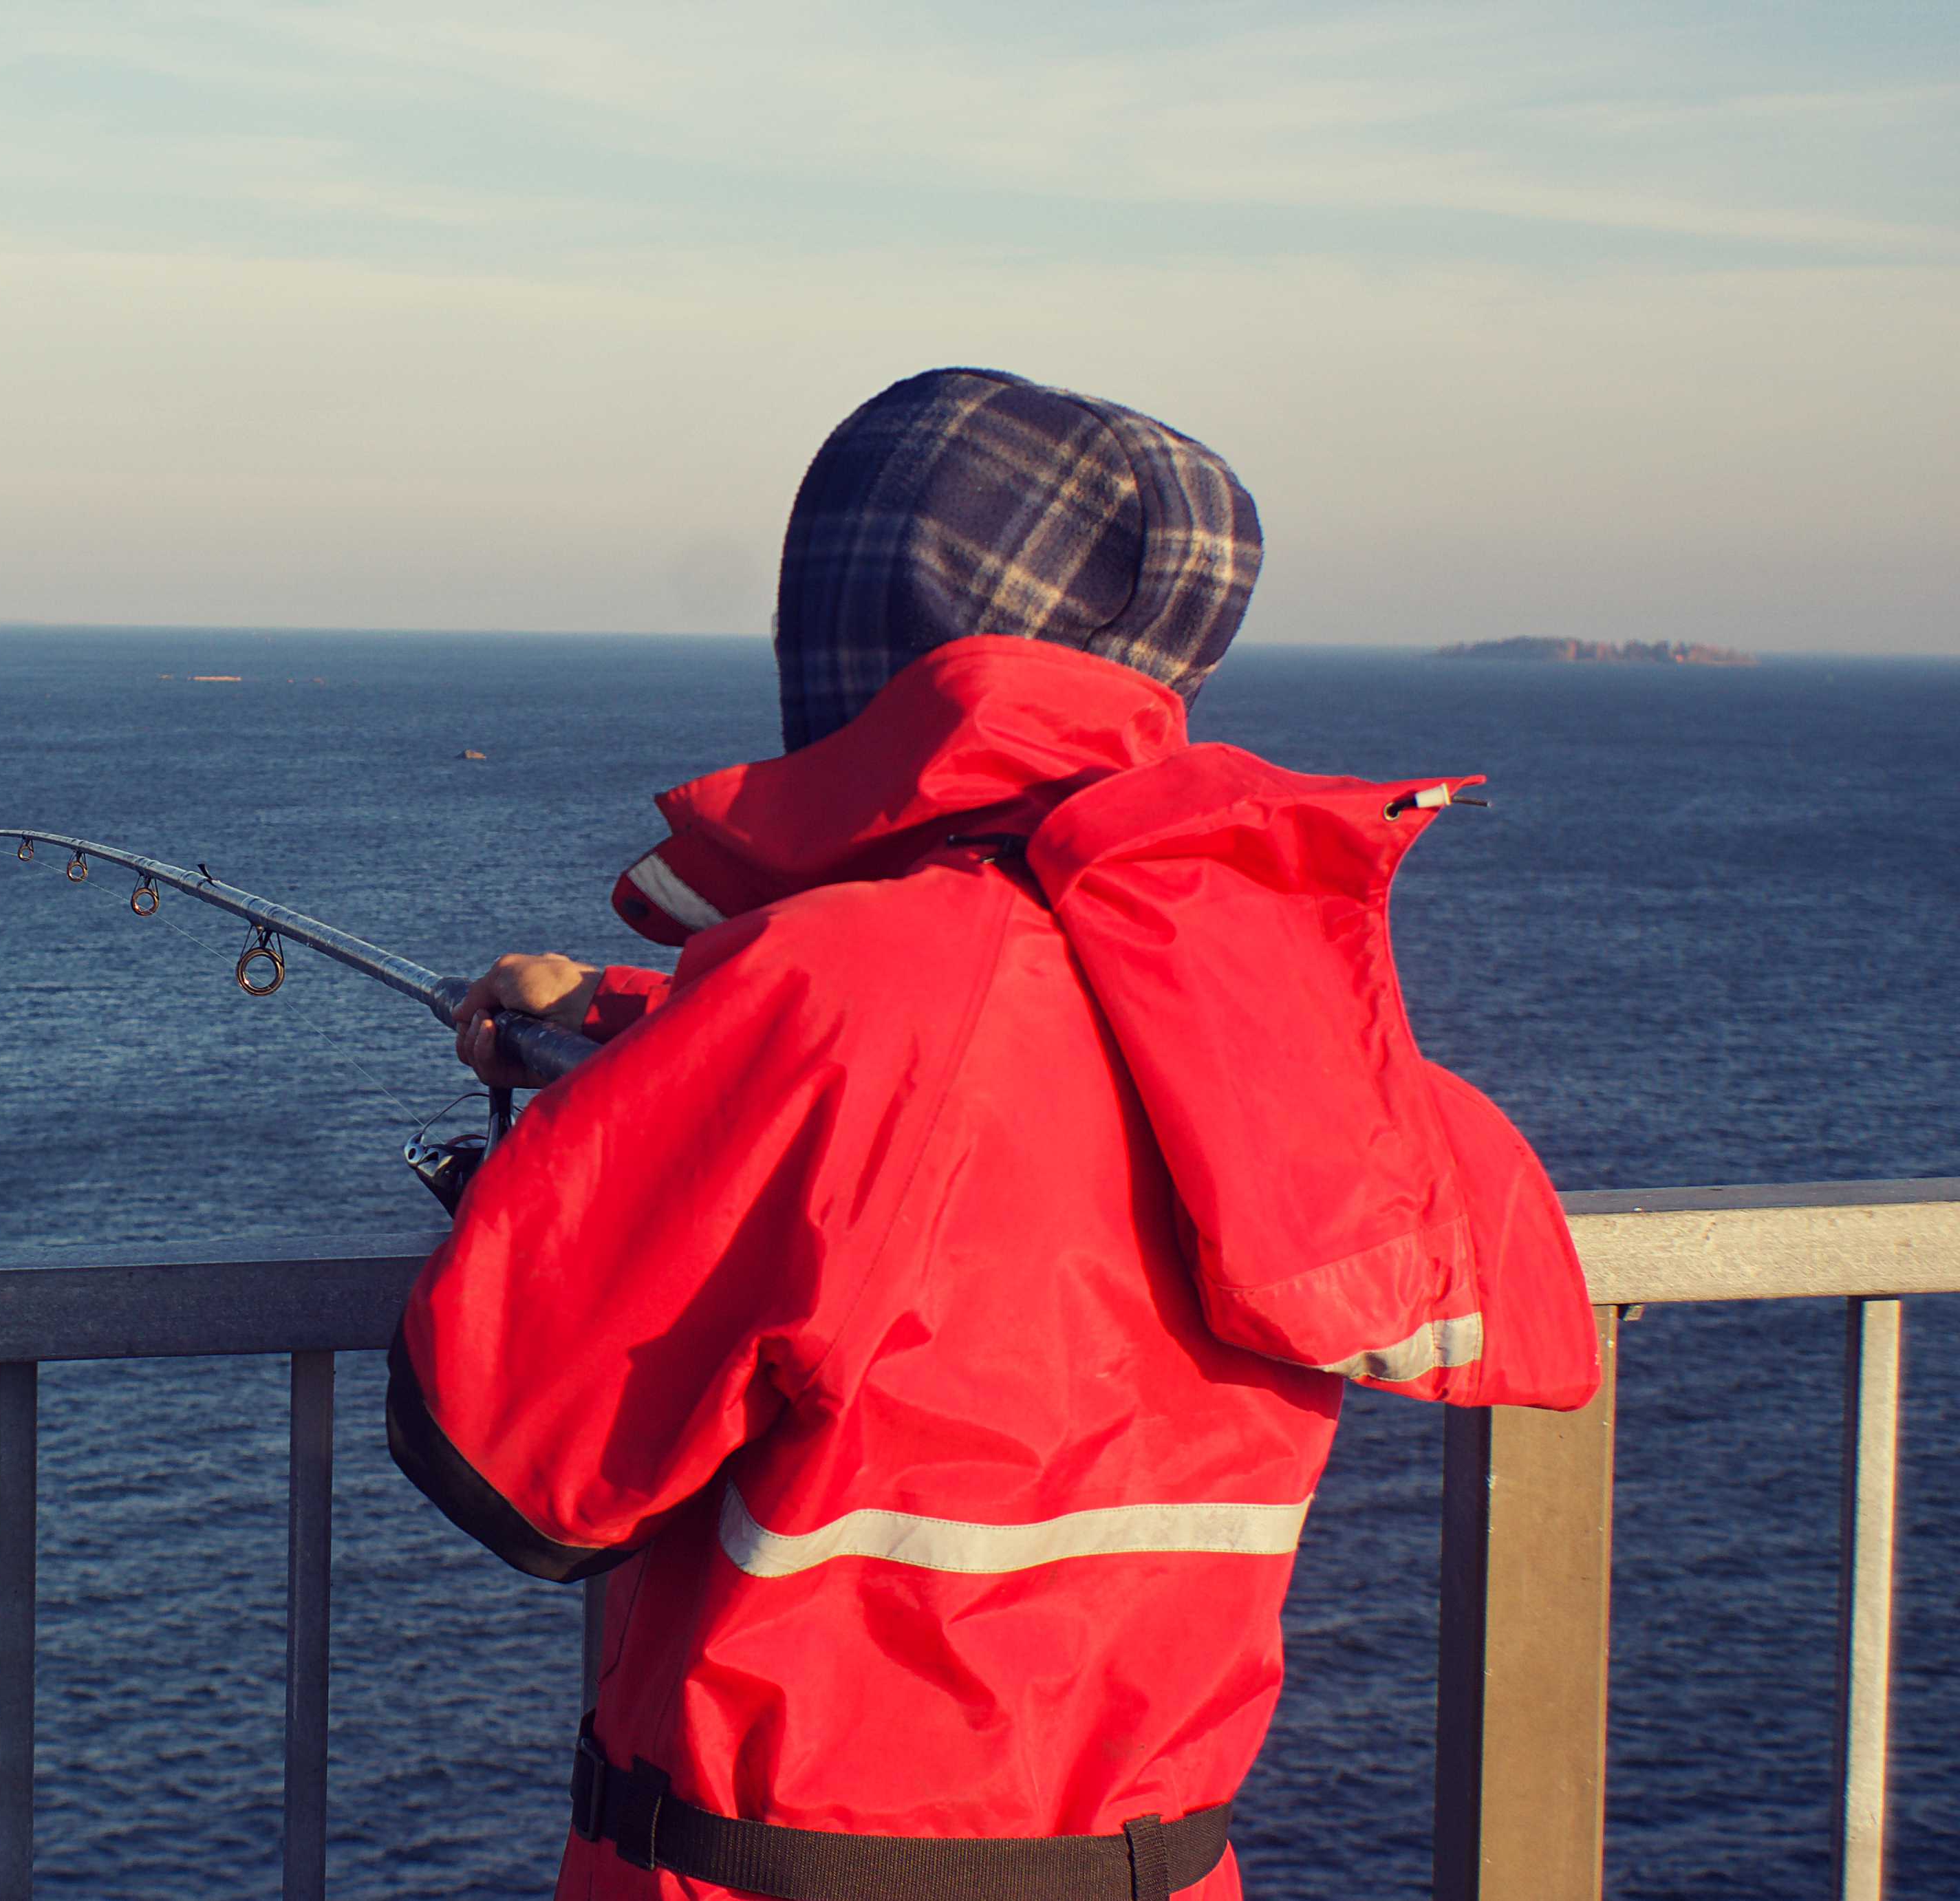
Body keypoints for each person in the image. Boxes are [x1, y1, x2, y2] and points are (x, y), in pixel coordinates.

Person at [386, 367, 1602, 1901]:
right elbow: (1029, 1086)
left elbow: (516, 1464)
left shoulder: (831, 993)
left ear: (862, 631)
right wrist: (658, 1027)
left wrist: (601, 1130)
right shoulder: (1263, 999)